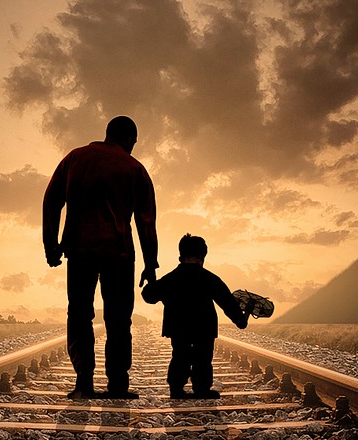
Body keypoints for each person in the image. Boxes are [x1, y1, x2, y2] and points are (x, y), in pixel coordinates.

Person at [43, 115, 157, 399]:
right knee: (118, 319)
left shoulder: (74, 159)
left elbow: (51, 201)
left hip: (79, 250)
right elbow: (146, 221)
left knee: (79, 314)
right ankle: (118, 385)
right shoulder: (135, 168)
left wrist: (51, 245)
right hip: (119, 253)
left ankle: (84, 383)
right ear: (130, 139)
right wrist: (150, 264)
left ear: (108, 133)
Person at [141, 233, 247, 399]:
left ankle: (176, 388)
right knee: (203, 359)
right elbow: (227, 302)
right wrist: (241, 320)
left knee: (179, 356)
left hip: (177, 327)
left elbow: (149, 296)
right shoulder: (210, 279)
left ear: (180, 256)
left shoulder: (170, 278)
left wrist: (151, 281)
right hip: (204, 327)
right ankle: (202, 388)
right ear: (202, 256)